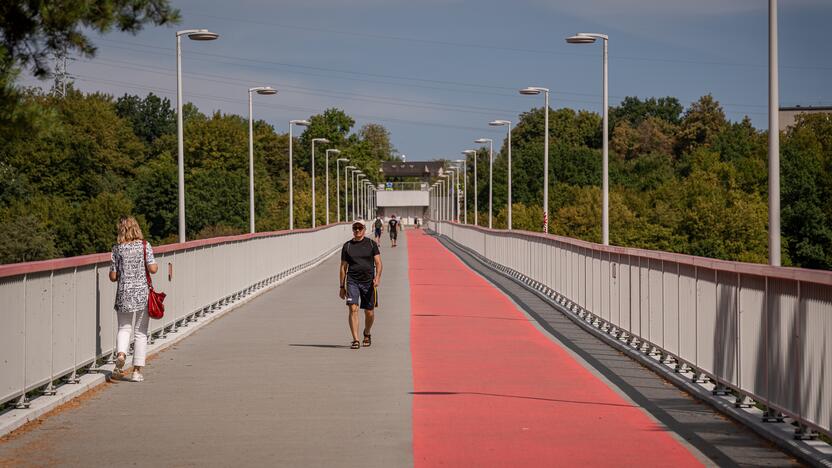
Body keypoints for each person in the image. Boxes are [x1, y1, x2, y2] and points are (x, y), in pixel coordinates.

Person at [109, 216, 158, 382]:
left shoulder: (117, 249)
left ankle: (121, 354)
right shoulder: (145, 245)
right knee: (140, 333)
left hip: (124, 293)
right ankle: (136, 372)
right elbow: (153, 269)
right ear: (136, 228)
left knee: (124, 328)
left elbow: (113, 276)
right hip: (142, 293)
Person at [339, 221, 382, 349]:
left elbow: (379, 263)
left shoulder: (371, 244)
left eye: (360, 228)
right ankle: (355, 339)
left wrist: (377, 277)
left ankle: (367, 333)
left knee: (369, 312)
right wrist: (342, 287)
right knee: (353, 309)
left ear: (364, 229)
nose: (357, 230)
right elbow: (343, 267)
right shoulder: (347, 246)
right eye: (355, 228)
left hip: (368, 282)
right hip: (352, 281)